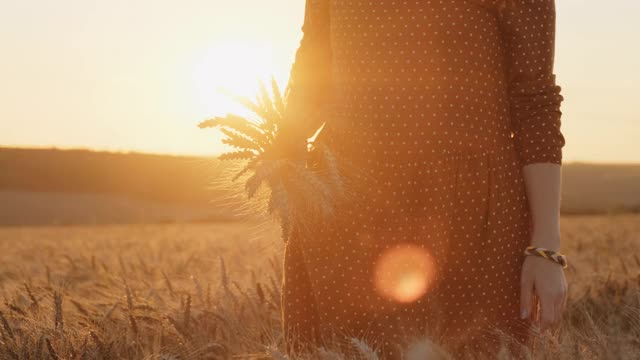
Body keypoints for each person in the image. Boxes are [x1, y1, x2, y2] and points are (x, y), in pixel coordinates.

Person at [278, 0, 569, 359]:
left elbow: (534, 99)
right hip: (347, 219)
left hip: (472, 226)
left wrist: (546, 247)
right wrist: (283, 162)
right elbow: (313, 72)